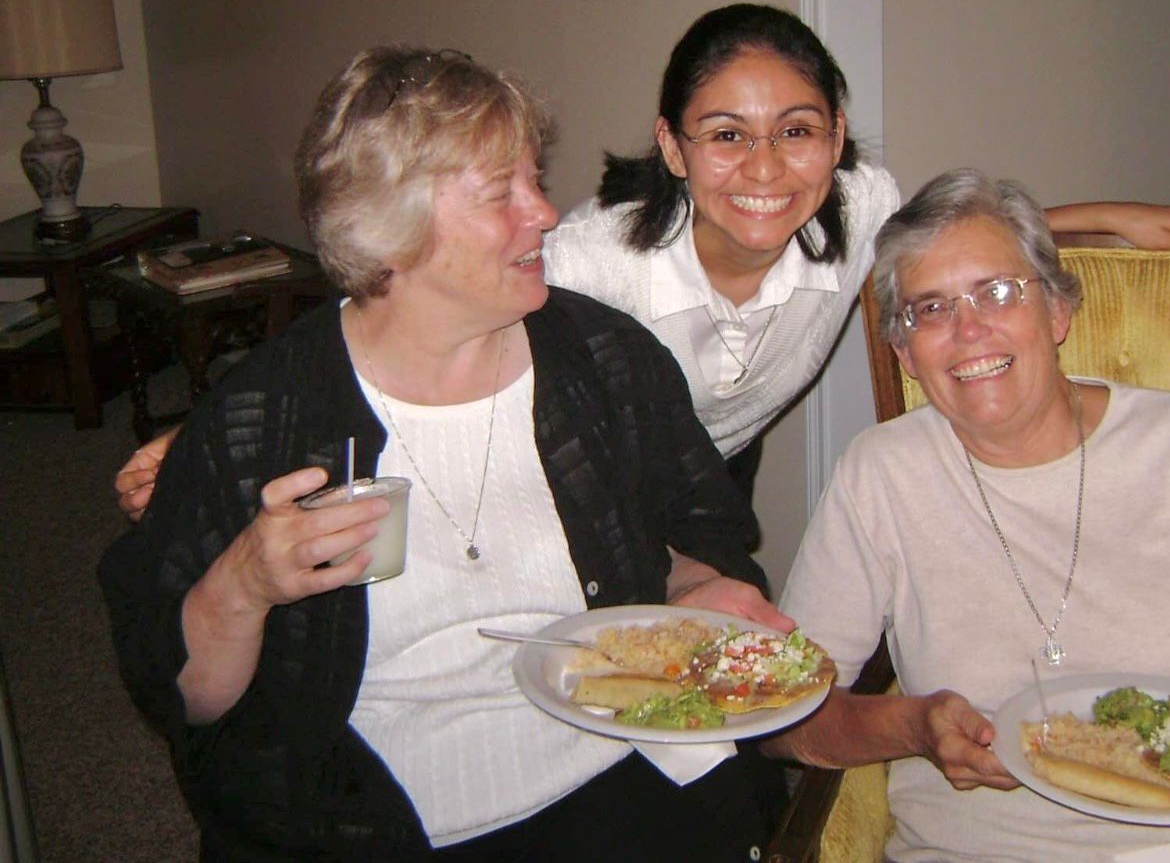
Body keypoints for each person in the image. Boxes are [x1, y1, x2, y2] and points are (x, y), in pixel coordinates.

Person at [116, 3, 1170, 518]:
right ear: (670, 145)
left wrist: (1113, 219)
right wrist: (217, 429)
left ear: (838, 139)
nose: (765, 166)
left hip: (716, 471)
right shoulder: (590, 259)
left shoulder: (861, 208)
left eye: (798, 128)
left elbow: (969, 245)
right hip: (583, 469)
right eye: (724, 132)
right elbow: (408, 312)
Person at [99, 47, 791, 860]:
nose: (543, 211)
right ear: (388, 230)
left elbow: (694, 536)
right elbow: (188, 698)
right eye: (502, 193)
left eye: (535, 177)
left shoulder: (603, 360)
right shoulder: (263, 419)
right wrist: (247, 582)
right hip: (380, 813)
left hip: (617, 749)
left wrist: (704, 587)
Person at [765, 169, 1170, 862]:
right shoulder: (880, 476)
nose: (969, 330)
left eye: (998, 293)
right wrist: (912, 727)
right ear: (905, 352)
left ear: (1057, 313)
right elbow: (791, 719)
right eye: (931, 310)